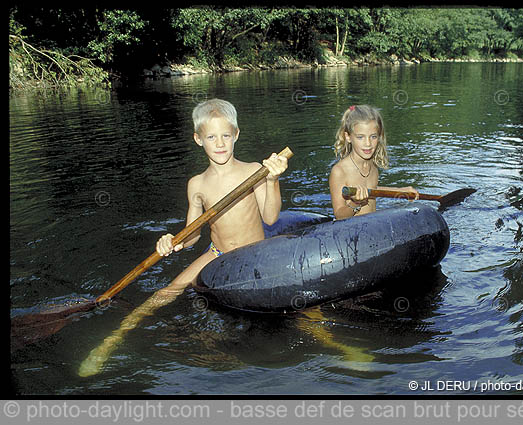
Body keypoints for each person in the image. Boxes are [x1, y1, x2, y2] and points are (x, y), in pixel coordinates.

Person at [79, 99, 288, 377]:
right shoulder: (197, 184)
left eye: (226, 135)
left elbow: (271, 217)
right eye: (211, 136)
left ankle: (333, 341)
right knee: (166, 291)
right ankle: (111, 341)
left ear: (236, 134)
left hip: (255, 252)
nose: (220, 143)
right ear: (198, 139)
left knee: (289, 296)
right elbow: (191, 236)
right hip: (217, 253)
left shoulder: (254, 171)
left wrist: (272, 180)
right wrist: (171, 241)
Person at [329, 104, 419, 219]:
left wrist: (401, 191)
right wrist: (355, 203)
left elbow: (373, 190)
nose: (368, 143)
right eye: (360, 137)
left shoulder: (372, 163)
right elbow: (339, 215)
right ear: (348, 137)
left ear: (379, 136)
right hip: (352, 232)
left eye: (373, 137)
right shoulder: (340, 171)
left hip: (373, 227)